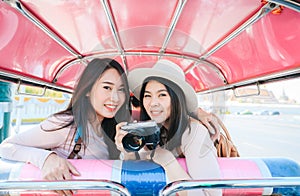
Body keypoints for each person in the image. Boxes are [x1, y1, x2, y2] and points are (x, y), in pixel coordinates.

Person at [0, 58, 131, 195]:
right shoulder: (67, 124)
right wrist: (47, 158)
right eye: (107, 88)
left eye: (121, 90)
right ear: (87, 90)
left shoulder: (111, 131)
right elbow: (6, 147)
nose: (115, 98)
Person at [115, 59, 222, 196]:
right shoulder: (151, 130)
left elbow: (211, 194)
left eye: (162, 95)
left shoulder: (194, 133)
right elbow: (135, 178)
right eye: (148, 96)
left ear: (176, 98)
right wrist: (128, 150)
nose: (153, 103)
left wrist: (169, 162)